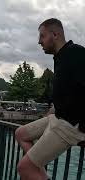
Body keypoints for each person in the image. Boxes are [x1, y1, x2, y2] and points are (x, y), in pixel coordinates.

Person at [15, 18, 85, 180]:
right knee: (20, 133)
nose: (39, 41)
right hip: (58, 117)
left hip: (70, 126)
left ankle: (32, 168)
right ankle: (38, 171)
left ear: (55, 34)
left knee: (24, 168)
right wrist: (53, 110)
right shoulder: (60, 58)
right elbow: (69, 94)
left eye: (42, 36)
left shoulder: (76, 53)